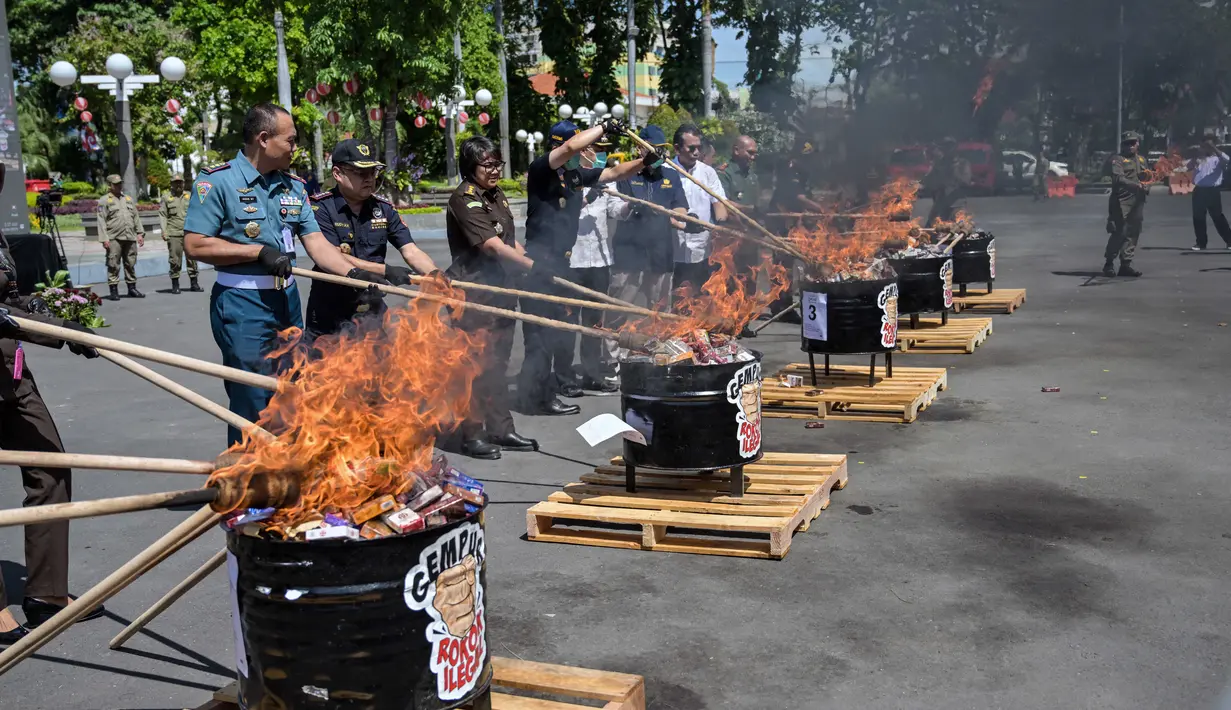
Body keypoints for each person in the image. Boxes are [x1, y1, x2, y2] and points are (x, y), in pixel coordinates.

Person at [185, 103, 375, 445]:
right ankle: (250, 481)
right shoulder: (218, 182)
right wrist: (256, 252)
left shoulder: (293, 187)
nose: (294, 147)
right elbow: (196, 245)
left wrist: (357, 276)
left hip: (286, 302)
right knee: (253, 396)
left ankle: (285, 474)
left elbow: (317, 244)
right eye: (290, 140)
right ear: (263, 139)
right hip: (243, 304)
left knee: (291, 392)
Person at [0, 228, 104, 642]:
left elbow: (6, 302)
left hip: (10, 373)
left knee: (51, 469)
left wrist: (58, 323)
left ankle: (46, 595)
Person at [518, 117, 652, 414]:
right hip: (541, 262)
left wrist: (645, 162)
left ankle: (540, 394)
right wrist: (604, 126)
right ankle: (536, 398)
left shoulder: (574, 176)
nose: (587, 151)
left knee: (552, 332)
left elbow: (614, 172)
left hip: (561, 263)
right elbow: (569, 147)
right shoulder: (542, 169)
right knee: (542, 335)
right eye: (585, 146)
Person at [445, 136, 538, 460]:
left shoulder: (496, 196)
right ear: (471, 167)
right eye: (488, 165)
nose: (495, 170)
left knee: (498, 364)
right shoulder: (464, 199)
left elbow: (510, 242)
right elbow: (492, 246)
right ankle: (472, 434)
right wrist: (532, 266)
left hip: (502, 293)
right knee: (473, 367)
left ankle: (501, 428)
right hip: (475, 295)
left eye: (497, 164)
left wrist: (537, 263)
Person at [304, 139, 439, 341]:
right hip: (330, 310)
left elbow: (411, 250)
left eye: (372, 172)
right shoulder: (320, 208)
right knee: (325, 370)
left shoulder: (383, 209)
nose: (369, 179)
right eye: (361, 173)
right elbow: (332, 255)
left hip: (372, 309)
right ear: (337, 174)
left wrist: (435, 275)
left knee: (381, 367)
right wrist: (386, 270)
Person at [608, 125, 689, 365]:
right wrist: (630, 206)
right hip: (629, 252)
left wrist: (685, 220)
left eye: (661, 150)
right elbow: (613, 208)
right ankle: (614, 359)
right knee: (620, 307)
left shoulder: (671, 175)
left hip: (660, 251)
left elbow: (680, 208)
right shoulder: (625, 173)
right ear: (639, 148)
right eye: (653, 149)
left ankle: (656, 353)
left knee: (659, 308)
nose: (658, 155)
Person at [564, 136, 630, 392]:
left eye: (601, 152)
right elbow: (567, 207)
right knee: (569, 323)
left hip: (600, 261)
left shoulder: (605, 180)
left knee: (594, 324)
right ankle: (566, 377)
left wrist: (631, 210)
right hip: (573, 261)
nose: (598, 156)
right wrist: (590, 194)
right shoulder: (567, 177)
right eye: (593, 150)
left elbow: (616, 209)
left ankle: (592, 373)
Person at [670, 124, 728, 297]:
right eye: (691, 148)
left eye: (699, 148)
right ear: (677, 148)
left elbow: (719, 203)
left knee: (700, 300)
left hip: (703, 250)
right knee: (676, 300)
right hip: (672, 251)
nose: (696, 152)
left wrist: (720, 222)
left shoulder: (708, 172)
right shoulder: (664, 171)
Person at [718, 135, 763, 302]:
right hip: (731, 238)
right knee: (731, 283)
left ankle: (744, 323)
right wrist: (748, 209)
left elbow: (757, 205)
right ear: (736, 151)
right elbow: (723, 202)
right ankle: (730, 324)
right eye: (750, 153)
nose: (753, 157)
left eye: (755, 153)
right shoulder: (724, 173)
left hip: (751, 239)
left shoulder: (752, 175)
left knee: (750, 281)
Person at [1103, 131, 1149, 277]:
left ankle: (1126, 264)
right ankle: (1109, 263)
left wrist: (1147, 185)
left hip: (1138, 201)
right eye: (1127, 143)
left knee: (1133, 233)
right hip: (1121, 201)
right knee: (1119, 233)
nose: (1130, 146)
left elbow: (1146, 177)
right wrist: (1136, 186)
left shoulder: (1142, 160)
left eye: (1133, 143)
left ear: (1138, 144)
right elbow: (1118, 179)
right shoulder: (1117, 160)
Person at [98, 174, 145, 301]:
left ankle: (132, 288)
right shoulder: (104, 201)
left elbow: (136, 217)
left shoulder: (128, 199)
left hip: (129, 236)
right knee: (113, 264)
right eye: (116, 184)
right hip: (114, 237)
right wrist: (104, 238)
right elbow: (101, 220)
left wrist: (140, 233)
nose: (119, 186)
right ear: (110, 185)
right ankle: (114, 290)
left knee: (130, 262)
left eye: (120, 183)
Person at [1187, 136, 1231, 251]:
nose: (1205, 148)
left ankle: (1229, 241)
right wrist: (1195, 156)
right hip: (1199, 190)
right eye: (1204, 145)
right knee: (1198, 218)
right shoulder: (1199, 158)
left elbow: (1227, 160)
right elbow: (1188, 167)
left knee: (1217, 217)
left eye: (1208, 146)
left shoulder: (1218, 158)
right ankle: (1201, 243)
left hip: (1212, 191)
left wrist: (1213, 148)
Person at [160, 173, 200, 294]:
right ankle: (175, 284)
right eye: (175, 182)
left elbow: (196, 212)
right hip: (174, 233)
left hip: (189, 232)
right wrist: (164, 231)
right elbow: (163, 215)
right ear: (171, 184)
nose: (178, 185)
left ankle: (194, 283)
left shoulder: (189, 195)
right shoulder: (166, 198)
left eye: (180, 182)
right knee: (175, 260)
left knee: (192, 259)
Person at [923, 137, 972, 226]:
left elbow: (966, 181)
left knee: (959, 228)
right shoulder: (939, 163)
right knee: (930, 228)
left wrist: (954, 167)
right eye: (943, 148)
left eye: (948, 148)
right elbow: (928, 182)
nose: (946, 151)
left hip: (957, 204)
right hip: (940, 204)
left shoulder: (962, 163)